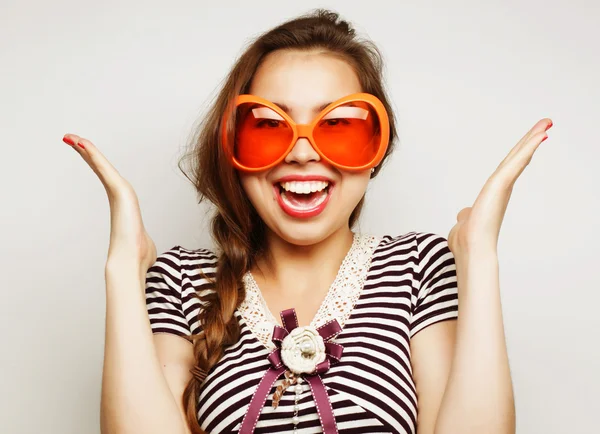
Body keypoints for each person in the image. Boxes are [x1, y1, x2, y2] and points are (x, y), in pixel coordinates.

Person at [61, 9, 552, 434]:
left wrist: (480, 258)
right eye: (268, 125)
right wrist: (124, 269)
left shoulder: (419, 267)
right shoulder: (183, 282)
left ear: (375, 152)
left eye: (338, 125)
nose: (301, 153)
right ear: (232, 147)